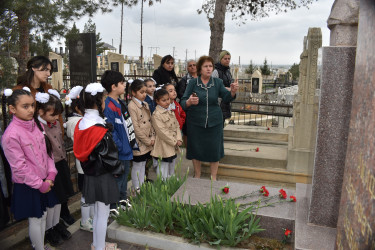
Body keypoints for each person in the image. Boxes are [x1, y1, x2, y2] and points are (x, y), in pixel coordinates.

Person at [2, 88, 58, 250]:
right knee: (36, 218)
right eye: (25, 106)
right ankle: (38, 247)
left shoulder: (37, 125)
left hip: (46, 180)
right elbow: (19, 167)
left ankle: (41, 245)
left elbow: (47, 151)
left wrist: (51, 173)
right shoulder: (11, 135)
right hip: (29, 184)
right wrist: (40, 184)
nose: (31, 110)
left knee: (44, 215)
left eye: (32, 105)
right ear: (12, 109)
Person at [73, 83, 121, 250]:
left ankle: (97, 244)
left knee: (97, 213)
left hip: (89, 172)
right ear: (100, 101)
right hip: (103, 175)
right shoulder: (98, 128)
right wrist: (118, 170)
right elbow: (109, 157)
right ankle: (99, 247)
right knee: (102, 215)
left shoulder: (82, 124)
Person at [180, 56, 239, 181]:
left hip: (214, 121)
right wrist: (190, 101)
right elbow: (183, 102)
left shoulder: (217, 82)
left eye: (210, 66)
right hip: (195, 122)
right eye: (205, 66)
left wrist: (232, 92)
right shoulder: (192, 83)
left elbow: (226, 97)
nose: (208, 69)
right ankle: (197, 174)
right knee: (195, 148)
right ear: (200, 69)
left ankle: (213, 176)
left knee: (214, 149)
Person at [34, 90, 73, 246]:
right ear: (41, 112)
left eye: (58, 115)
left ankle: (56, 224)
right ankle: (49, 229)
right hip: (48, 167)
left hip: (60, 162)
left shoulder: (54, 122)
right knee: (52, 200)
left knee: (60, 198)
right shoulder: (37, 127)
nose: (56, 118)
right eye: (53, 115)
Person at [101, 70, 137, 211]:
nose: (124, 85)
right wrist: (121, 146)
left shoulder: (120, 102)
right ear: (113, 86)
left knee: (124, 177)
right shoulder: (108, 105)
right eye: (122, 83)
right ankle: (114, 205)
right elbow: (111, 129)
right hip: (119, 150)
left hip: (126, 149)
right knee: (117, 178)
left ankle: (122, 199)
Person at [65, 86, 94, 232]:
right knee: (86, 194)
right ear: (77, 108)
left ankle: (91, 218)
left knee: (91, 193)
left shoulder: (80, 120)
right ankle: (85, 220)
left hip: (89, 163)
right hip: (84, 164)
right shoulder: (76, 123)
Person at [127, 79, 155, 192]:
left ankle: (141, 186)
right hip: (139, 142)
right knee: (137, 165)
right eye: (141, 92)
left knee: (143, 164)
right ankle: (136, 189)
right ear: (134, 92)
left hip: (148, 140)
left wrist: (152, 136)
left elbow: (150, 121)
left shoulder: (146, 104)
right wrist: (147, 141)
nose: (144, 95)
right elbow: (135, 128)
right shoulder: (132, 106)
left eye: (145, 92)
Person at [151, 89, 182, 180]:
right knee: (163, 164)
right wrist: (174, 141)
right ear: (157, 101)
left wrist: (179, 138)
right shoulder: (156, 114)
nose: (167, 102)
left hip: (172, 142)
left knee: (171, 161)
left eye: (168, 99)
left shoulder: (169, 111)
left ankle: (169, 180)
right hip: (163, 144)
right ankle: (162, 182)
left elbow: (176, 125)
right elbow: (162, 132)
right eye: (163, 100)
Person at [212, 50, 236, 126]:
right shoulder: (216, 71)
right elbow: (213, 87)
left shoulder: (228, 71)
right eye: (225, 58)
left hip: (225, 102)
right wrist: (225, 88)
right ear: (220, 59)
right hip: (218, 103)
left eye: (229, 59)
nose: (227, 60)